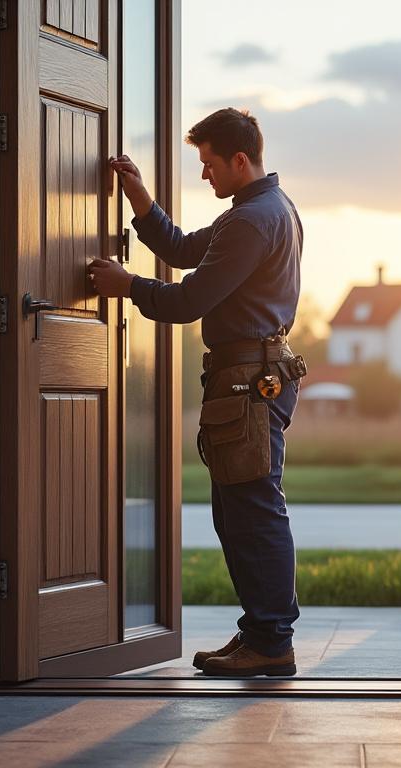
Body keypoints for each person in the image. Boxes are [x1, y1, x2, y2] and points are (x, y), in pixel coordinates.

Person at [88, 107, 305, 677]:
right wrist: (140, 198)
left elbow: (188, 300)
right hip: (247, 380)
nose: (204, 174)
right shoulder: (260, 210)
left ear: (240, 159)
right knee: (240, 514)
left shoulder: (253, 220)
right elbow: (186, 250)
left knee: (253, 513)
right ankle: (261, 632)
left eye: (209, 164)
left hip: (247, 384)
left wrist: (127, 285)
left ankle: (271, 641)